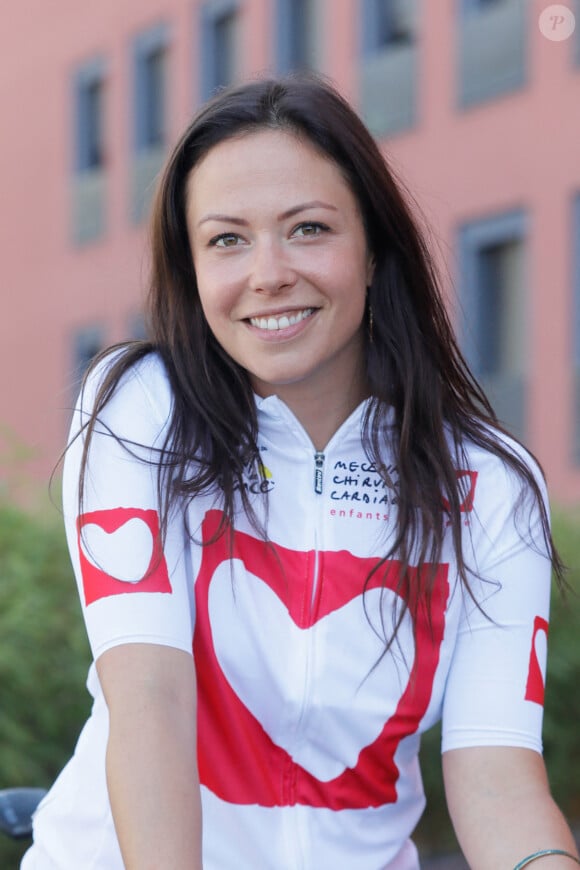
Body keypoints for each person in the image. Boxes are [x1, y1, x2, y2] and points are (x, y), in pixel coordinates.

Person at [22, 74, 579, 870]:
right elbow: (151, 705)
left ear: (374, 248)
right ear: (190, 266)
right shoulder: (140, 412)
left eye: (309, 228)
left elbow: (496, 776)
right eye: (227, 240)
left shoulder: (490, 482)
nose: (270, 273)